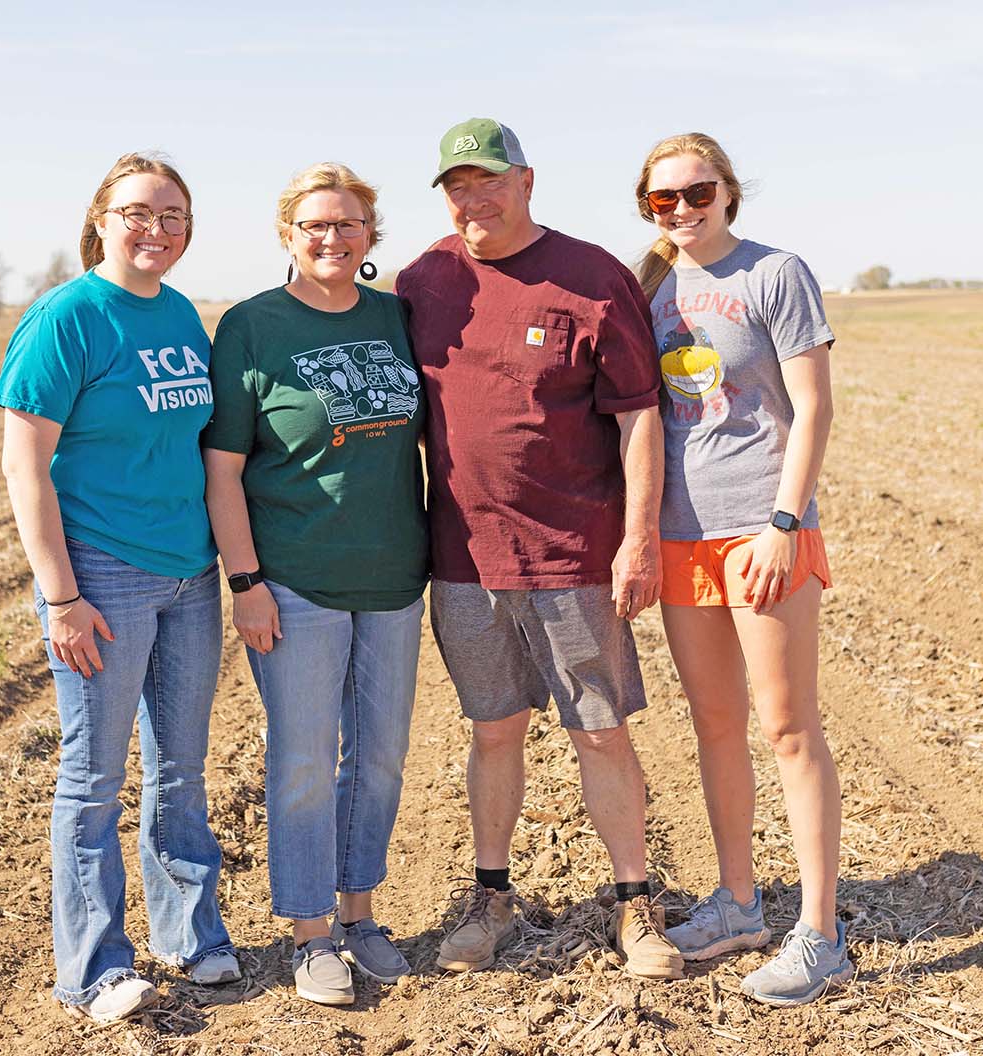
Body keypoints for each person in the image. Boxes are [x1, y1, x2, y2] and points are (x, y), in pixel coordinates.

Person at [396, 118, 683, 980]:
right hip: (463, 559)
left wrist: (638, 540)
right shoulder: (422, 281)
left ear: (527, 181)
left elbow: (640, 416)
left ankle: (636, 908)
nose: (473, 198)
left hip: (573, 556)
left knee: (599, 733)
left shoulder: (592, 277)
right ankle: (491, 901)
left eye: (489, 180)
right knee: (493, 732)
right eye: (457, 185)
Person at [0, 152, 239, 1025]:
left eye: (174, 216)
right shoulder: (67, 318)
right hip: (103, 575)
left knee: (182, 770)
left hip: (188, 572)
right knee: (93, 778)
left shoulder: (177, 313)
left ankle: (190, 935)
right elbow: (25, 464)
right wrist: (61, 596)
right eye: (139, 212)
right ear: (101, 218)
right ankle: (93, 969)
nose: (157, 229)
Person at [632, 132, 852, 1006]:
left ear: (728, 193)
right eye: (663, 200)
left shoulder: (775, 273)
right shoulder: (646, 284)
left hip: (763, 532)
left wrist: (782, 523)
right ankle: (737, 903)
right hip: (681, 538)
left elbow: (814, 407)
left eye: (698, 192)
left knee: (788, 728)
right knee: (714, 724)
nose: (682, 210)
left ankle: (821, 933)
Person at [202, 163, 428, 1007]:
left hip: (395, 578)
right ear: (286, 235)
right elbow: (222, 469)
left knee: (379, 758)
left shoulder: (395, 317)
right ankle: (309, 935)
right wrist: (246, 579)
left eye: (349, 224)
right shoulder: (252, 327)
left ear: (372, 235)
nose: (332, 239)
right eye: (315, 226)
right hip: (294, 580)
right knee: (302, 763)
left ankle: (360, 915)